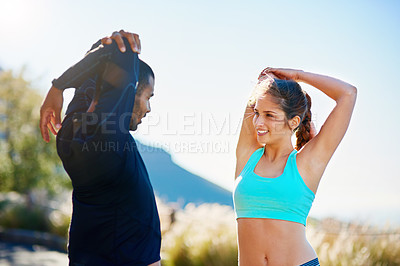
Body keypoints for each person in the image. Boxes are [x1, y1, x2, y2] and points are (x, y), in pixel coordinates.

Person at [40, 30, 161, 266]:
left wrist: (60, 88)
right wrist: (57, 87)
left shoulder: (73, 133)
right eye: (149, 97)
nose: (148, 109)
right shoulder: (106, 139)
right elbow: (119, 50)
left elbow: (99, 59)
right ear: (129, 89)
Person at [233, 67, 357, 266]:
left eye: (269, 115)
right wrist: (268, 81)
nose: (258, 122)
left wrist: (298, 76)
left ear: (294, 122)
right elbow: (259, 89)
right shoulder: (248, 155)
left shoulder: (308, 162)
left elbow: (348, 93)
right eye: (257, 113)